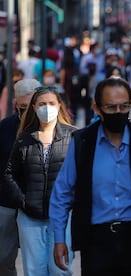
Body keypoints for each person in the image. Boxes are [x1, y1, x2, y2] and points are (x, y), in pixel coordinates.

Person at [49, 77, 131, 275]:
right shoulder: (83, 142)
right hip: (96, 240)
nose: (118, 112)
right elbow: (62, 193)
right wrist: (59, 239)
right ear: (97, 108)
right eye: (111, 107)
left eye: (124, 106)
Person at [1, 85, 76, 276]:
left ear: (59, 106)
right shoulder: (24, 139)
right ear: (34, 107)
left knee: (60, 270)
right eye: (42, 104)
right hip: (30, 216)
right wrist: (23, 201)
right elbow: (9, 174)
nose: (47, 108)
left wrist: (71, 201)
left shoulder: (73, 137)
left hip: (62, 217)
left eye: (51, 103)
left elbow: (81, 175)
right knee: (34, 270)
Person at [0, 79, 41, 276]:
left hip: (38, 203)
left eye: (32, 106)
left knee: (37, 261)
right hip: (7, 203)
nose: (28, 112)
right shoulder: (5, 127)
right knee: (3, 257)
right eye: (23, 107)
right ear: (16, 104)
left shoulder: (50, 126)